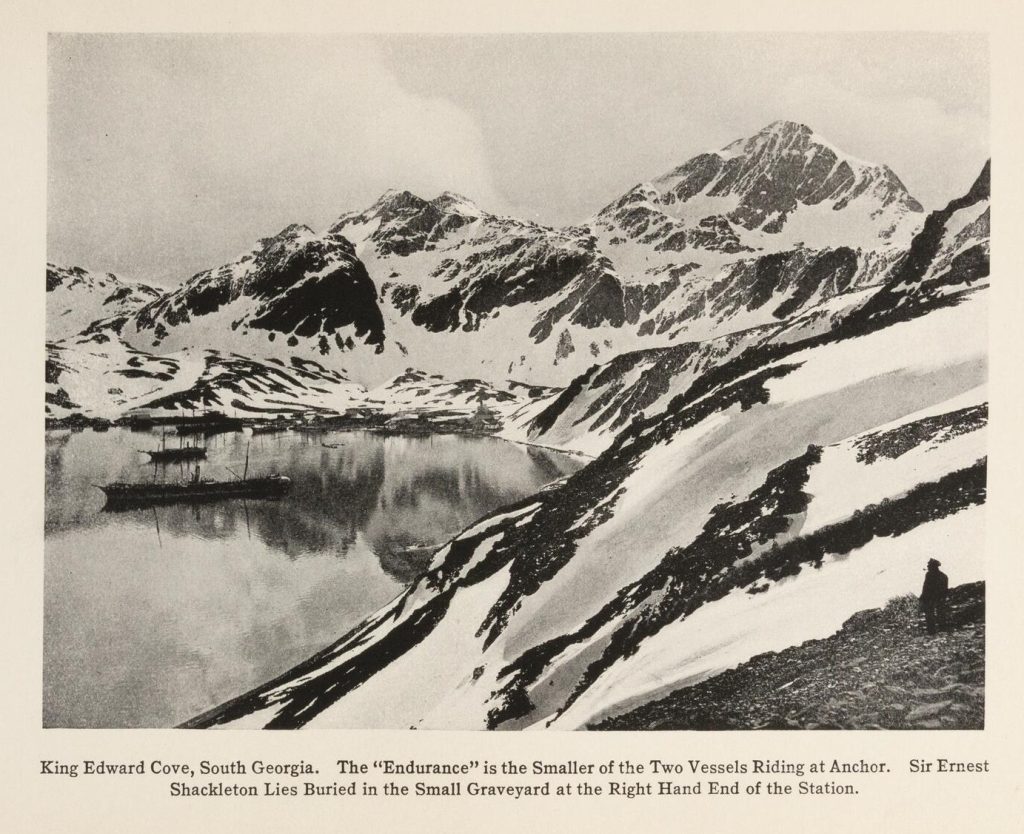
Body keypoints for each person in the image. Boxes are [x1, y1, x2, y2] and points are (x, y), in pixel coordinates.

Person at [920, 558, 949, 635]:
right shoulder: (942, 576)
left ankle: (935, 630)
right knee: (935, 612)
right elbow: (925, 586)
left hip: (935, 597)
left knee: (936, 612)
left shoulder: (940, 576)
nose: (928, 567)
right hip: (934, 597)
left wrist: (924, 597)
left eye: (929, 566)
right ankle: (934, 630)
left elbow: (926, 587)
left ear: (934, 567)